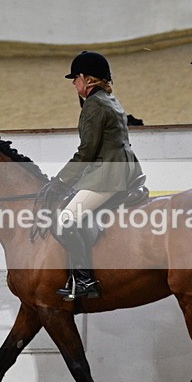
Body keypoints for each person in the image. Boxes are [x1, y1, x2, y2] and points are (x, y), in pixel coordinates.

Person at [52, 51, 143, 300]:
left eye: (76, 78)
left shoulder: (94, 105)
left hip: (109, 175)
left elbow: (86, 153)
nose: (73, 83)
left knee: (66, 219)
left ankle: (85, 281)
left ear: (88, 79)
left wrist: (61, 180)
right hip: (123, 168)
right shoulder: (109, 99)